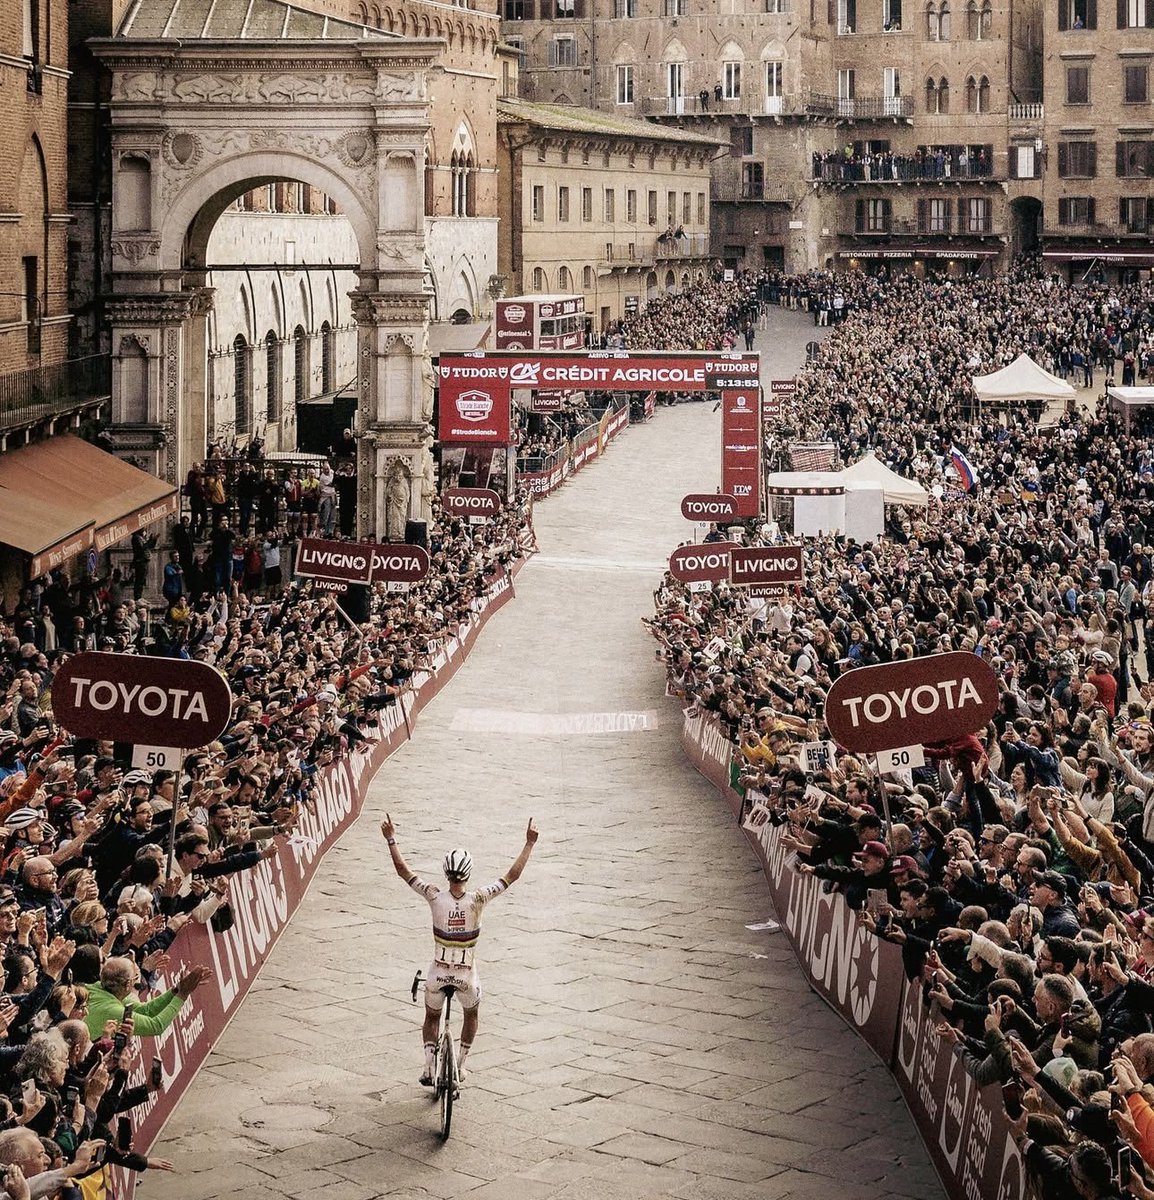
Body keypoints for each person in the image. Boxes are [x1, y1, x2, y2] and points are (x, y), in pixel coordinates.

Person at [381, 813, 538, 1086]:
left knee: (432, 1015)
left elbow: (403, 871)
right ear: (468, 873)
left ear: (446, 873)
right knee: (471, 1014)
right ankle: (461, 1066)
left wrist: (391, 839)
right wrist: (529, 843)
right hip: (466, 975)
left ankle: (429, 1067)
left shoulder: (433, 896)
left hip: (438, 973)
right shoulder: (479, 898)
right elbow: (512, 876)